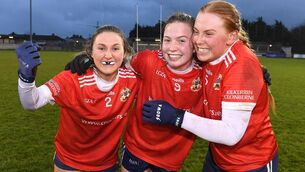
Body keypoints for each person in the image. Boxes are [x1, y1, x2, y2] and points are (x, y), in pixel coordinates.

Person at [142, 1, 278, 171]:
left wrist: (177, 116)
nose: (198, 40)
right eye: (196, 32)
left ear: (231, 37)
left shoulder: (240, 66)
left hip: (251, 163)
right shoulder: (208, 54)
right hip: (217, 157)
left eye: (208, 33)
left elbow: (231, 134)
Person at [65, 12, 204, 171]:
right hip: (136, 149)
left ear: (194, 44)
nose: (172, 48)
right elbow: (120, 62)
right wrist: (88, 59)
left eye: (181, 41)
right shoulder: (149, 60)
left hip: (171, 157)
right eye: (167, 40)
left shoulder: (206, 73)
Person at [16, 25, 139, 171]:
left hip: (107, 164)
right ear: (90, 52)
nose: (108, 55)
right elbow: (31, 102)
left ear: (124, 52)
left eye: (115, 48)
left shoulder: (132, 79)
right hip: (69, 163)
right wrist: (26, 76)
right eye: (101, 48)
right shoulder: (72, 79)